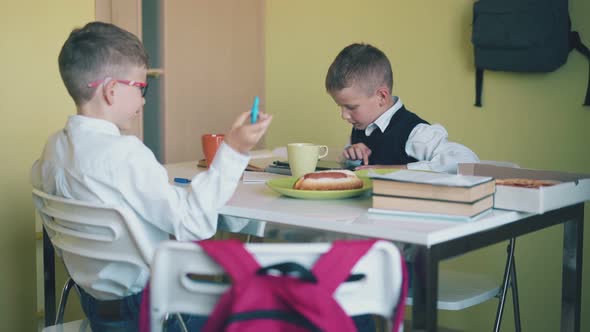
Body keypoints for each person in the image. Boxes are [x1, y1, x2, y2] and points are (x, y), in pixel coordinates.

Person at [31, 22, 272, 332]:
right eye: (141, 88)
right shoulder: (125, 153)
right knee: (261, 305)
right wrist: (234, 151)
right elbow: (192, 224)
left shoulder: (53, 149)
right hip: (155, 314)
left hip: (95, 308)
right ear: (111, 90)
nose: (143, 100)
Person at [325, 43, 479, 173]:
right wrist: (353, 158)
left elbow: (467, 162)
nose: (344, 115)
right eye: (341, 106)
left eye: (351, 107)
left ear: (382, 97)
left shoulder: (415, 132)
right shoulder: (360, 127)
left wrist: (394, 170)